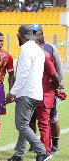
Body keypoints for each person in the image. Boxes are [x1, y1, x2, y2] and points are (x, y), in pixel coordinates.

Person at [6, 25, 50, 161]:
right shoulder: (38, 49)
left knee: (21, 125)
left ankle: (42, 151)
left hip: (26, 93)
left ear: (21, 35)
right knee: (24, 124)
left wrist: (12, 92)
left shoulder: (25, 49)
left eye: (18, 36)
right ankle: (18, 155)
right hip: (36, 93)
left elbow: (23, 73)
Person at [28, 24, 66, 154]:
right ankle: (34, 145)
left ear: (42, 33)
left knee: (52, 117)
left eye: (37, 32)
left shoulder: (50, 48)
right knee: (31, 118)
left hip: (48, 90)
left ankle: (54, 144)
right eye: (32, 32)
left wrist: (60, 88)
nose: (34, 35)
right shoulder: (28, 49)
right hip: (32, 90)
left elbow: (58, 70)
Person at [32, 33, 60, 154]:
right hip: (33, 92)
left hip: (45, 94)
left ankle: (46, 150)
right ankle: (38, 148)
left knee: (46, 122)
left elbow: (55, 75)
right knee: (29, 121)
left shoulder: (46, 55)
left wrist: (58, 89)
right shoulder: (31, 55)